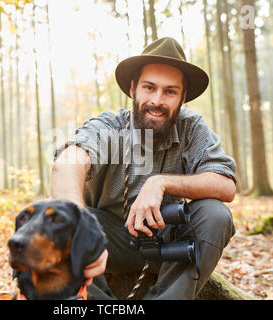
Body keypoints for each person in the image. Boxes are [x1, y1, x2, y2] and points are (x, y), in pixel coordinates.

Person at [51, 37, 236, 299]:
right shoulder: (109, 126)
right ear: (133, 89)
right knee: (55, 220)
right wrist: (80, 225)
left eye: (170, 91)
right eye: (149, 87)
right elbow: (68, 163)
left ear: (183, 97)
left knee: (215, 214)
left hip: (168, 240)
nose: (157, 100)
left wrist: (161, 182)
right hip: (108, 240)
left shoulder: (191, 127)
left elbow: (226, 184)